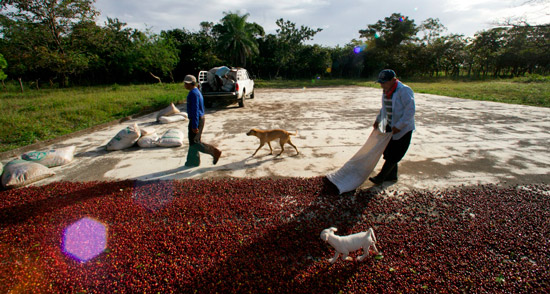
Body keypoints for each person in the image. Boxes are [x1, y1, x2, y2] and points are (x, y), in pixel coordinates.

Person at [369, 69, 415, 184]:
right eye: (380, 82)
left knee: (395, 154)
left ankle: (381, 177)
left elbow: (410, 111)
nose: (382, 85)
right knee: (388, 152)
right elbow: (385, 108)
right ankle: (392, 176)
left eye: (384, 82)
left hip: (403, 129)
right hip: (390, 125)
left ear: (393, 80)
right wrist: (379, 120)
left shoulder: (404, 90)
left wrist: (399, 126)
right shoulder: (386, 91)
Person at [183, 74, 222, 167]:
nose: (184, 85)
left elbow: (195, 110)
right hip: (198, 119)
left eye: (186, 83)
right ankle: (193, 162)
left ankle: (214, 152)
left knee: (195, 143)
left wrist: (194, 125)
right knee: (193, 141)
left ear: (190, 84)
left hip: (196, 119)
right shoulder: (196, 91)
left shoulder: (193, 93)